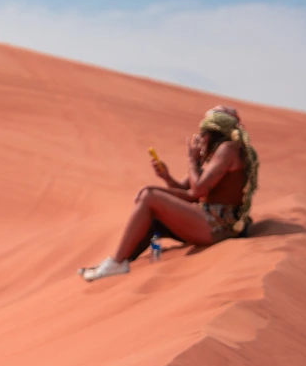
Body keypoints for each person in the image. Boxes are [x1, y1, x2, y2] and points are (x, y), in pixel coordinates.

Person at [81, 105, 260, 282]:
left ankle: (116, 263)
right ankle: (118, 262)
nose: (199, 137)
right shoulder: (216, 155)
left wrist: (192, 161)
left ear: (214, 131)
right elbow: (187, 193)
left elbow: (198, 191)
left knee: (150, 197)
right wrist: (166, 177)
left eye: (203, 132)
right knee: (154, 221)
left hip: (220, 226)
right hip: (208, 222)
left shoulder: (228, 149)